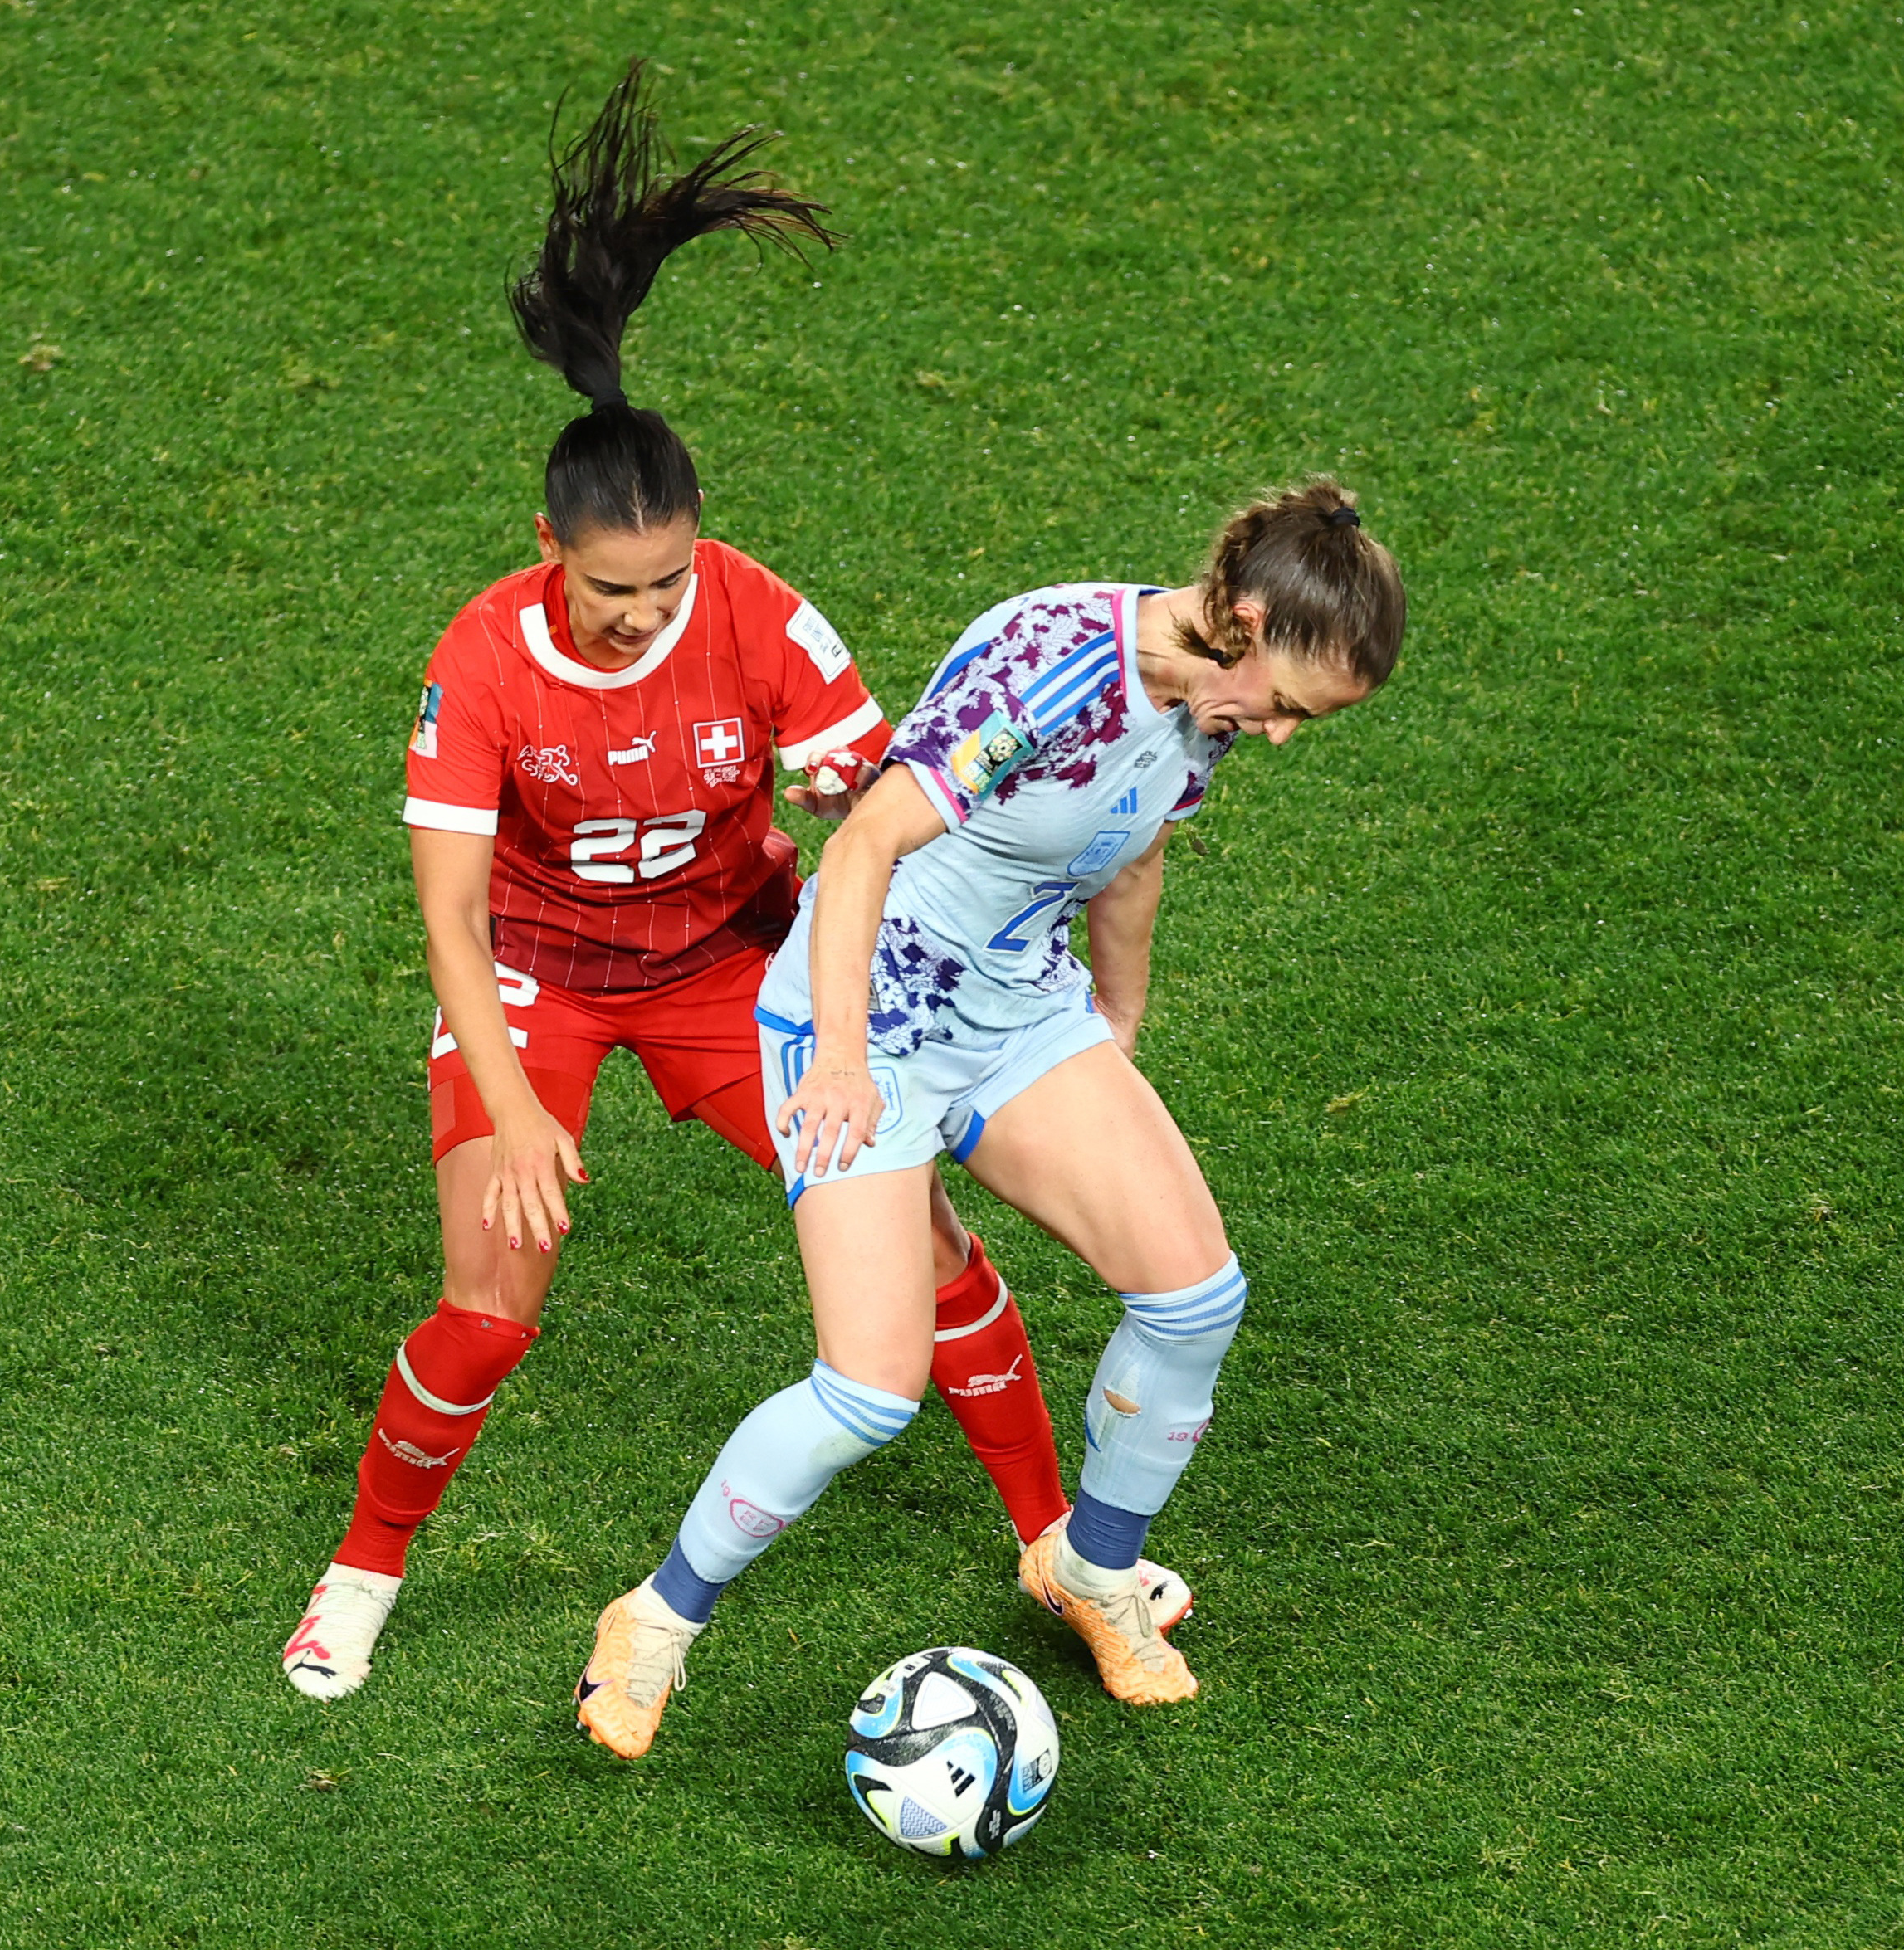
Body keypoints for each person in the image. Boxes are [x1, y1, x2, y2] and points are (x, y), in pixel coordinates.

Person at [282, 63, 1184, 1702]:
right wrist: (510, 1090)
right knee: (489, 1296)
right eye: (614, 589)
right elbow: (450, 914)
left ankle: (1060, 1543)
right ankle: (364, 1565)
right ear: (547, 548)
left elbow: (875, 807)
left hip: (727, 969)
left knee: (920, 1238)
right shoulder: (480, 659)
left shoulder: (760, 619)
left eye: (670, 579)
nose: (644, 614)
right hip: (538, 985)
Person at [571, 478, 1408, 1757]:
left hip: (1018, 1018)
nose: (1281, 737)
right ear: (1242, 618)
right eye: (1289, 708)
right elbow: (863, 849)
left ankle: (1091, 1568)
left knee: (1193, 1295)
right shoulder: (1052, 666)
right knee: (868, 1387)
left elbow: (1133, 850)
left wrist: (1115, 1026)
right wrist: (841, 1065)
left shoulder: (1207, 695)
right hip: (865, 1024)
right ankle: (654, 1621)